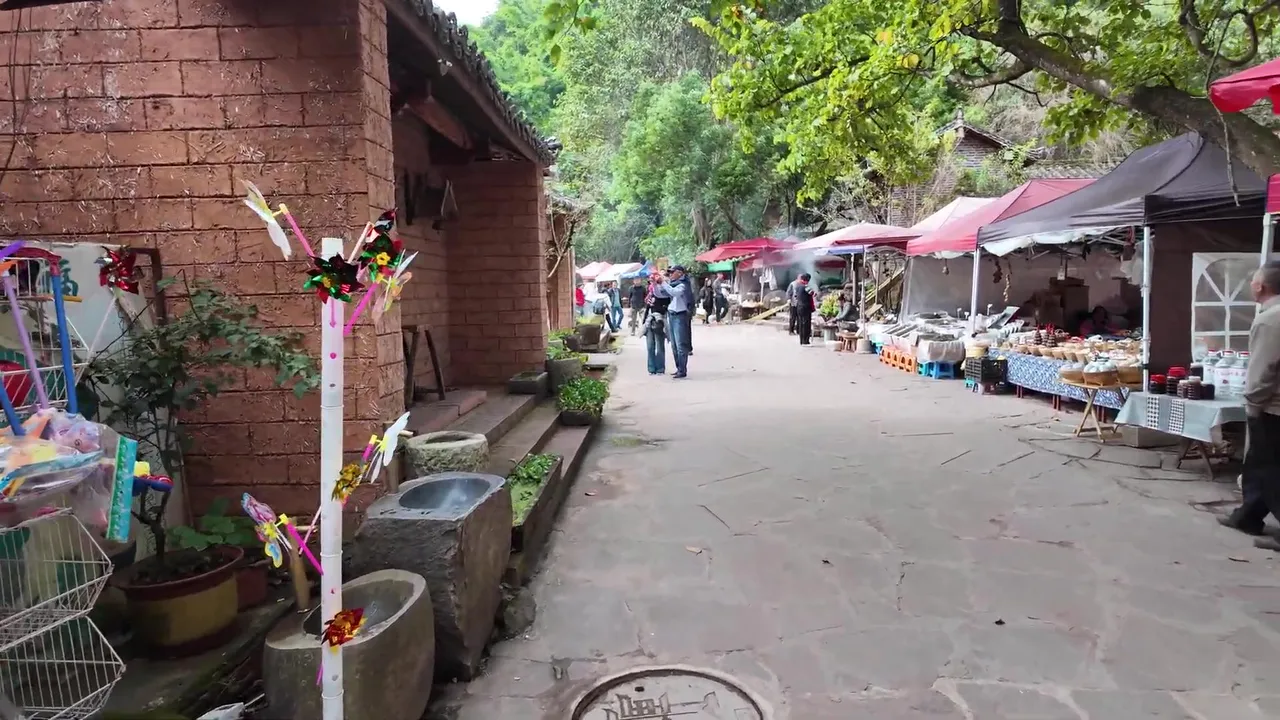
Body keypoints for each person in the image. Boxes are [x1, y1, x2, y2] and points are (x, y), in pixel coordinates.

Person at [1220, 262, 1280, 547]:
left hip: (1273, 406)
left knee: (1271, 469)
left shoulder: (1271, 319)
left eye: (1253, 281)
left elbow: (1264, 369)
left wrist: (1252, 402)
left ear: (1260, 286)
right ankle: (1248, 516)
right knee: (1258, 463)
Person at [654, 266, 692, 378]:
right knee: (674, 345)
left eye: (672, 272)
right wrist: (655, 284)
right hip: (671, 315)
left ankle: (682, 370)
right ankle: (679, 368)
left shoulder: (683, 284)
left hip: (680, 315)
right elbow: (660, 295)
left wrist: (663, 282)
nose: (670, 274)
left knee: (680, 345)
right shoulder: (672, 284)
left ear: (679, 273)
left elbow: (674, 292)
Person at [643, 276, 671, 375]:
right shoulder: (650, 294)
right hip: (649, 321)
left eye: (654, 282)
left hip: (659, 322)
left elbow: (665, 308)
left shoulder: (665, 295)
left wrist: (655, 306)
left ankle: (660, 368)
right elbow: (647, 309)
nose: (652, 284)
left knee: (659, 346)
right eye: (651, 282)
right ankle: (651, 368)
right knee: (650, 346)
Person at [794, 273, 816, 345]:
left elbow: (796, 296)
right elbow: (813, 293)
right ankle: (805, 341)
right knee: (806, 324)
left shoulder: (797, 286)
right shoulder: (805, 287)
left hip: (799, 307)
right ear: (807, 280)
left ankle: (801, 340)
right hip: (806, 308)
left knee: (801, 324)